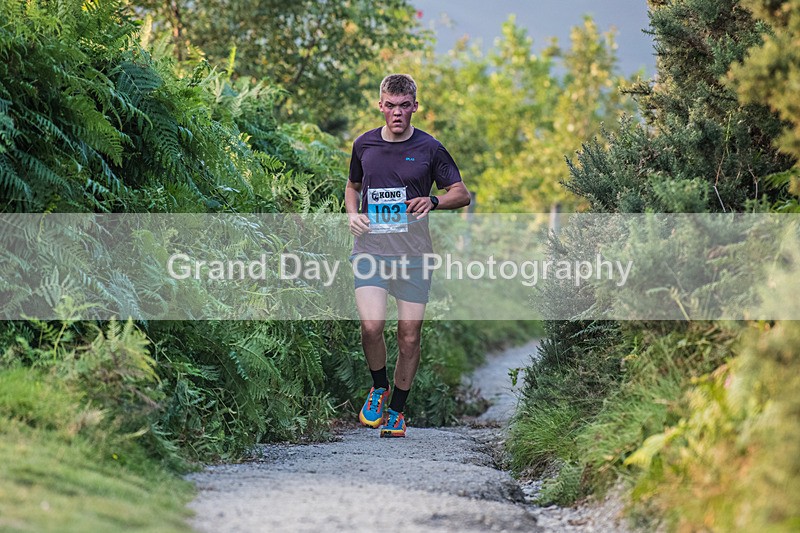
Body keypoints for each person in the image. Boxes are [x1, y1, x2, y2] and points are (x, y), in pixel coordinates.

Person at [345, 74, 471, 438]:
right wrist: (353, 215)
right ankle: (379, 387)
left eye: (404, 106)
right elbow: (352, 186)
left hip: (414, 255)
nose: (397, 113)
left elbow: (461, 194)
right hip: (369, 249)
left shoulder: (431, 148)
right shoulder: (364, 144)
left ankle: (398, 411)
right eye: (391, 105)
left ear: (415, 106)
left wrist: (432, 200)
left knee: (409, 335)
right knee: (371, 325)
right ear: (380, 106)